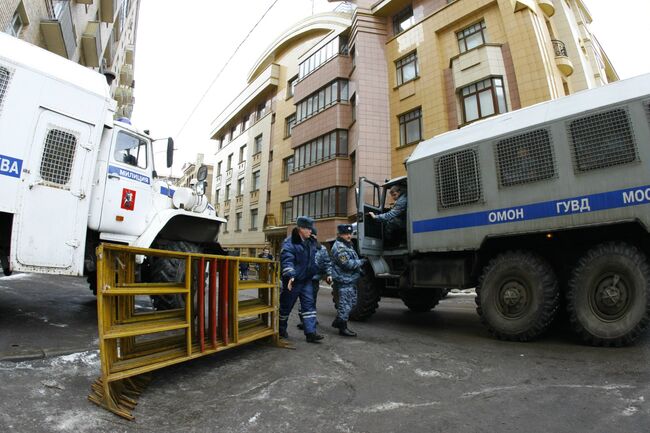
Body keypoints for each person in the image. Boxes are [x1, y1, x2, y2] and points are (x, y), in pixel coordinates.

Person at [279, 216, 324, 343]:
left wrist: (316, 243)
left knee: (309, 306)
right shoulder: (290, 243)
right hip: (293, 281)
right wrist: (290, 275)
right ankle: (281, 329)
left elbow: (315, 254)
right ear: (300, 229)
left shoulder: (310, 241)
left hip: (306, 280)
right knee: (285, 306)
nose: (311, 231)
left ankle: (310, 333)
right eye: (308, 229)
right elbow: (287, 260)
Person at [330, 224, 366, 337]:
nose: (349, 236)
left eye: (350, 234)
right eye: (346, 234)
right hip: (344, 280)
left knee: (351, 302)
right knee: (345, 304)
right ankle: (342, 327)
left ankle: (339, 321)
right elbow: (347, 264)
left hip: (350, 279)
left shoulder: (347, 245)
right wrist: (361, 262)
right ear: (340, 234)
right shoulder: (340, 248)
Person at [297, 226, 332, 330]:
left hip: (315, 280)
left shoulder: (322, 248)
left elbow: (327, 263)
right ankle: (304, 320)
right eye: (310, 235)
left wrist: (329, 274)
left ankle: (310, 318)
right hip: (303, 279)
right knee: (303, 300)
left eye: (313, 235)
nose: (312, 237)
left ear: (316, 236)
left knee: (312, 300)